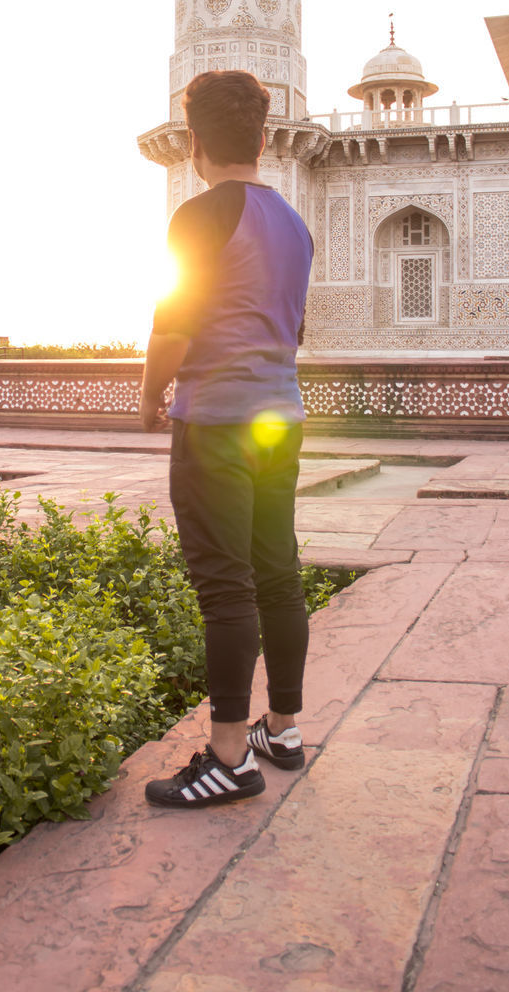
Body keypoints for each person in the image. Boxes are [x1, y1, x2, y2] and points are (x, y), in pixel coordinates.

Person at [139, 69, 314, 809]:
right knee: (277, 571)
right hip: (280, 416)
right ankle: (284, 729)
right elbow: (295, 327)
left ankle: (227, 756)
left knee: (225, 586)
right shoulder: (294, 223)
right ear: (267, 138)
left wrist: (150, 394)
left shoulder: (198, 215)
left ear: (194, 143)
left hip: (216, 420)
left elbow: (173, 323)